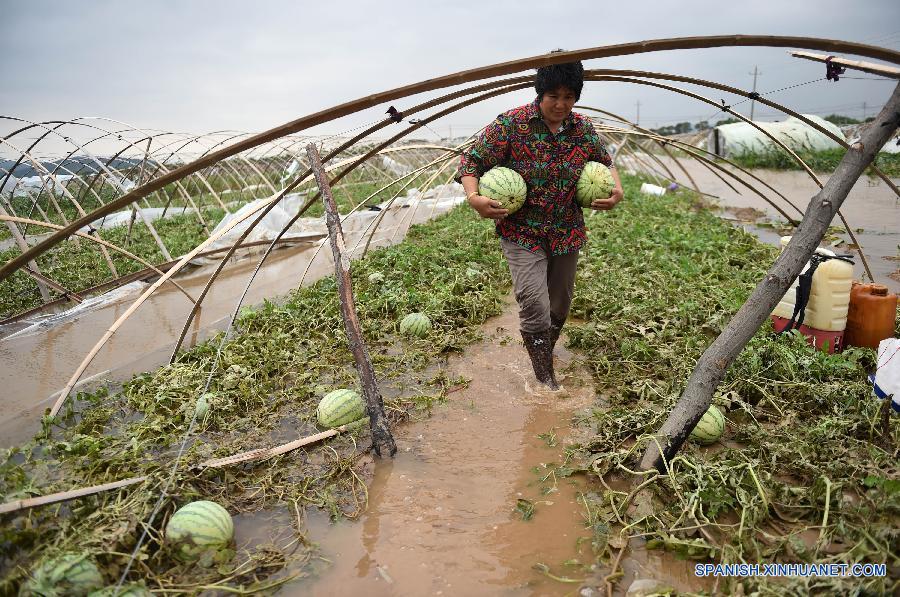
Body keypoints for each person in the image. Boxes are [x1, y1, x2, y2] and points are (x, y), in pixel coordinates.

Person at [455, 58, 624, 391]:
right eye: (553, 96)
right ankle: (546, 381)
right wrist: (474, 197)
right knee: (534, 301)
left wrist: (616, 190)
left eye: (568, 96)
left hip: (566, 229)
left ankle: (545, 350)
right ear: (539, 93)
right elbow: (471, 161)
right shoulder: (512, 124)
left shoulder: (582, 128)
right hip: (522, 231)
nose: (561, 104)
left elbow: (605, 161)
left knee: (559, 304)